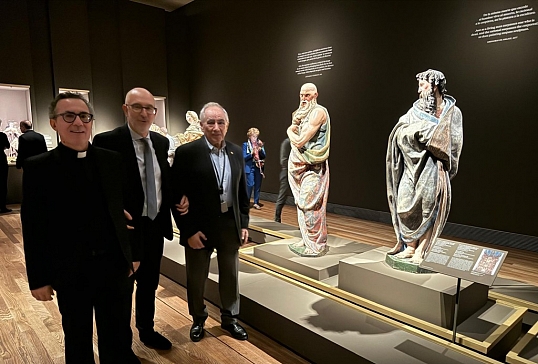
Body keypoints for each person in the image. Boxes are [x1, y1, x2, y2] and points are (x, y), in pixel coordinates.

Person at [21, 92, 140, 363]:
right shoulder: (39, 167)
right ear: (54, 123)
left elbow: (132, 211)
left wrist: (135, 253)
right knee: (77, 337)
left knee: (118, 335)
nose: (78, 122)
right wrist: (38, 278)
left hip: (113, 266)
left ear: (91, 121)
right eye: (69, 116)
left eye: (84, 116)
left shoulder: (112, 160)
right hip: (70, 270)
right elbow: (33, 225)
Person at [93, 87, 188, 351]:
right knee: (122, 290)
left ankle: (146, 330)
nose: (144, 113)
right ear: (125, 109)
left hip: (155, 227)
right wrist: (109, 213)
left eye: (149, 108)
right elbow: (97, 186)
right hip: (126, 230)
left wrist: (179, 197)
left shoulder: (160, 143)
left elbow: (162, 180)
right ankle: (120, 347)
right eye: (137, 107)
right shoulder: (107, 141)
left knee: (149, 284)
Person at [171, 102, 250, 343]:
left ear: (227, 125)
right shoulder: (187, 153)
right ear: (202, 125)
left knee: (231, 275)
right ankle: (198, 319)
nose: (216, 127)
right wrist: (188, 231)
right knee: (196, 277)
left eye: (221, 122)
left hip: (229, 225)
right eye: (211, 122)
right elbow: (176, 195)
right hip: (198, 228)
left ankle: (230, 319)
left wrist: (244, 223)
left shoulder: (237, 152)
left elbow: (241, 193)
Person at [386, 69, 463, 264]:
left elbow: (453, 143)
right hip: (412, 166)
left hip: (432, 167)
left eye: (423, 85)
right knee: (404, 202)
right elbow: (399, 132)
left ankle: (421, 249)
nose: (419, 89)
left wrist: (429, 136)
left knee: (428, 206)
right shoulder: (414, 112)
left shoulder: (452, 113)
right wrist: (420, 131)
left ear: (435, 86)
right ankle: (410, 246)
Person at [287, 83, 331, 257]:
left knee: (310, 204)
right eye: (301, 95)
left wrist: (289, 130)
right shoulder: (301, 114)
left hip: (313, 166)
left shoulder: (319, 112)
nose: (304, 99)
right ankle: (307, 239)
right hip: (299, 167)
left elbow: (299, 141)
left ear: (316, 95)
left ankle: (316, 244)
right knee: (301, 205)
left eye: (308, 95)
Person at [243, 127, 265, 209]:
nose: (255, 139)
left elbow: (264, 155)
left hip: (258, 166)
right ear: (249, 136)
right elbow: (244, 157)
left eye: (256, 136)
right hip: (250, 167)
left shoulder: (259, 144)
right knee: (250, 184)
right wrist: (251, 153)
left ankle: (256, 202)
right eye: (253, 136)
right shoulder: (245, 145)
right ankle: (246, 201)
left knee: (258, 185)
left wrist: (260, 150)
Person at [274, 137, 291, 222]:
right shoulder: (287, 142)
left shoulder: (299, 144)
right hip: (287, 173)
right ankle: (277, 218)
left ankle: (302, 223)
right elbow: (283, 161)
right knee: (282, 197)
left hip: (297, 174)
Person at [0, 124, 11, 213]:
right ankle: (2, 206)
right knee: (2, 184)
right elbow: (7, 146)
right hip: (1, 161)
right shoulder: (2, 135)